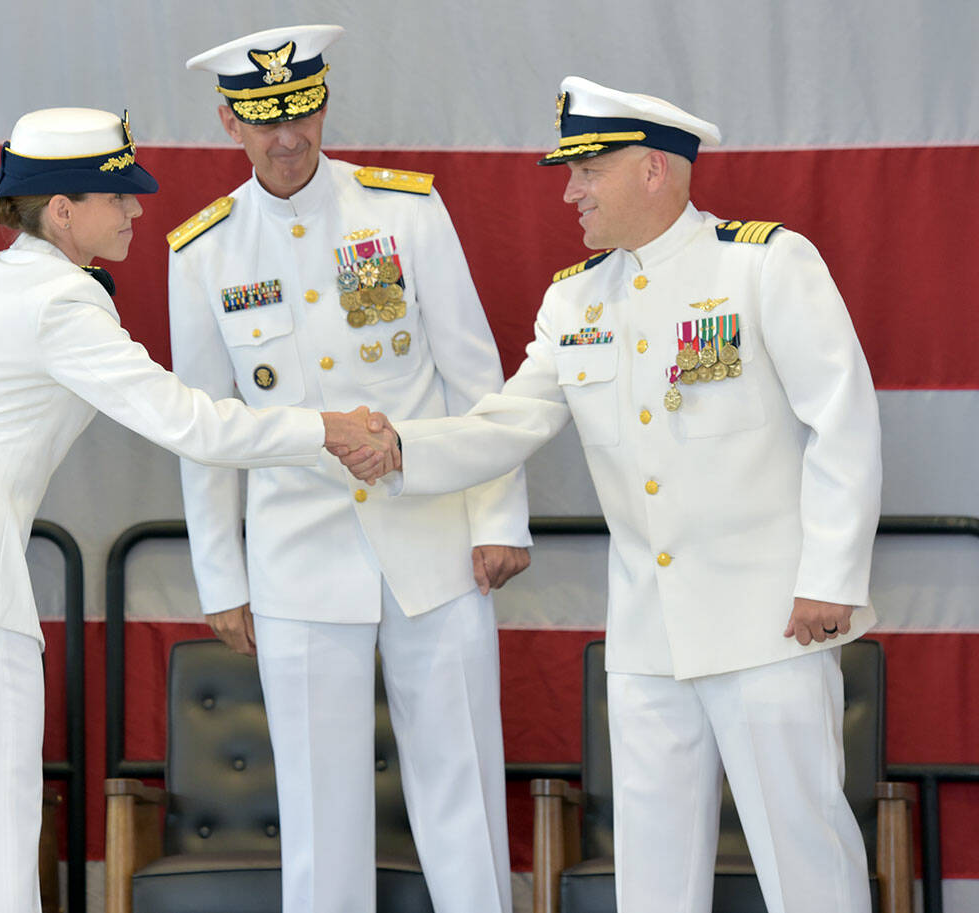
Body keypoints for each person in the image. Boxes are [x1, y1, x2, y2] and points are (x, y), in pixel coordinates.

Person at [0, 106, 395, 913]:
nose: (136, 210)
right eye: (117, 196)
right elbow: (188, 421)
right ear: (61, 209)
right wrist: (323, 429)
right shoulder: (63, 302)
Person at [347, 76, 882, 913]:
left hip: (771, 618)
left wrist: (832, 576)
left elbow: (843, 421)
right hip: (646, 633)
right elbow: (508, 420)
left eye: (586, 171)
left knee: (806, 858)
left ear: (654, 172)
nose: (569, 191)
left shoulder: (765, 264)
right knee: (651, 872)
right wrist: (402, 446)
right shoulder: (575, 298)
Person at [166, 25, 532, 913]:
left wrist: (496, 520)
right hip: (297, 557)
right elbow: (204, 430)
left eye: (301, 114)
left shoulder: (405, 210)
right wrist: (222, 574)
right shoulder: (202, 250)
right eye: (264, 122)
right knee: (321, 812)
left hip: (433, 542)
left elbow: (474, 376)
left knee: (465, 792)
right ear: (228, 121)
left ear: (323, 105)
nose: (287, 138)